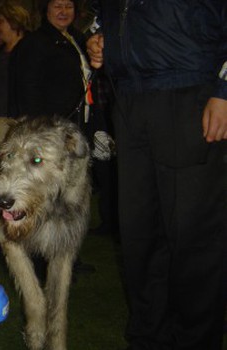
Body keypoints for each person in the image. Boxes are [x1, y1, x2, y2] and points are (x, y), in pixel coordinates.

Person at [87, 2, 227, 349]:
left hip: (191, 95)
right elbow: (104, 17)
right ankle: (148, 339)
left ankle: (195, 342)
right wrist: (97, 39)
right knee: (141, 237)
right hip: (131, 101)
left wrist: (225, 90)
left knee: (194, 238)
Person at [8, 0, 91, 128]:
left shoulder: (80, 40)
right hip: (50, 128)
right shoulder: (34, 42)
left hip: (80, 123)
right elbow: (27, 91)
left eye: (69, 6)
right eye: (57, 6)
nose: (64, 11)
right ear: (46, 9)